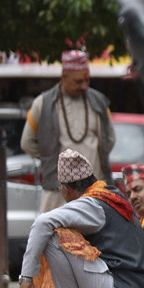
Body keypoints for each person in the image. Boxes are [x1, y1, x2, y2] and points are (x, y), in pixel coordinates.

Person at [18, 149, 144, 288]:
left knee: (56, 237)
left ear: (65, 188)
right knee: (65, 235)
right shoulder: (110, 197)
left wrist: (26, 278)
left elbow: (42, 223)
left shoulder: (93, 204)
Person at [21, 49, 116, 212]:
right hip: (57, 191)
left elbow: (110, 139)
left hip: (94, 189)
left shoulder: (99, 101)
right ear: (64, 76)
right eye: (78, 82)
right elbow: (27, 143)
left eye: (87, 80)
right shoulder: (43, 103)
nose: (84, 86)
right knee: (56, 234)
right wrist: (53, 160)